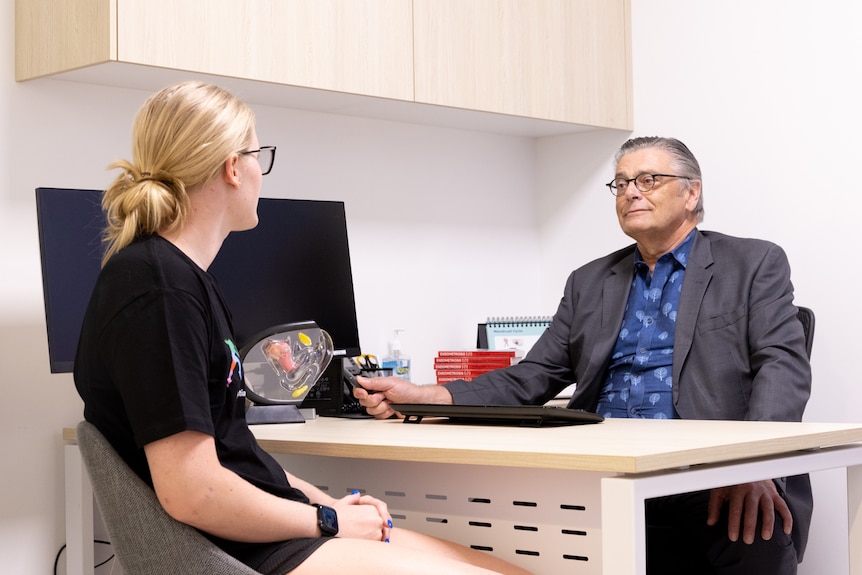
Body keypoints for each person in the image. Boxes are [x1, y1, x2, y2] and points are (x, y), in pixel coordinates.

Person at [73, 81, 532, 575]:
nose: (259, 173)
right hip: (244, 552)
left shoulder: (183, 280)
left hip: (267, 537)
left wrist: (328, 504)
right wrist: (328, 521)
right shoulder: (160, 289)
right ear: (232, 167)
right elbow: (195, 493)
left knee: (506, 569)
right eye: (258, 155)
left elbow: (236, 455)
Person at [356, 136, 812, 574]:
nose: (630, 192)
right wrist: (427, 396)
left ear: (691, 193)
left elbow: (782, 366)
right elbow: (530, 377)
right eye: (621, 183)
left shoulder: (752, 264)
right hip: (602, 467)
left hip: (704, 469)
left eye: (647, 180)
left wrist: (755, 465)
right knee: (485, 513)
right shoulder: (590, 281)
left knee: (751, 531)